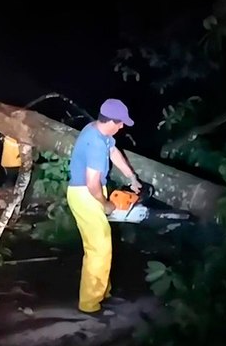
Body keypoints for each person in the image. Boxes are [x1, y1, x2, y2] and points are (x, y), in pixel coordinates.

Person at [66, 98, 141, 314]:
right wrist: (106, 204)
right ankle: (89, 304)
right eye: (120, 123)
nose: (122, 126)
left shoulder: (97, 130)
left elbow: (114, 153)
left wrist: (132, 178)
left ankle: (102, 292)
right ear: (111, 121)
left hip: (90, 193)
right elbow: (92, 183)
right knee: (98, 249)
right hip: (85, 194)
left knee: (102, 246)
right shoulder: (96, 142)